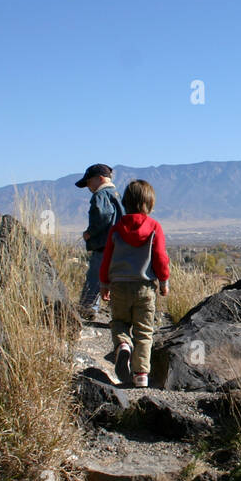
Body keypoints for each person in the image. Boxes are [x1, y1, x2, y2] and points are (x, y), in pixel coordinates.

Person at [99, 179, 170, 387]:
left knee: (119, 322)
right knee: (144, 331)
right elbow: (160, 257)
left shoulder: (116, 229)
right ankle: (140, 375)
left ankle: (123, 345)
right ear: (150, 204)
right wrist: (164, 281)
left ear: (126, 203)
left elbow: (106, 259)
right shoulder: (155, 227)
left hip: (119, 286)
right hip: (145, 288)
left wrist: (104, 283)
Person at [76, 164, 122, 319]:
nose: (88, 187)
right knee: (116, 281)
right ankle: (120, 314)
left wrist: (90, 232)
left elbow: (104, 215)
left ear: (100, 179)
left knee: (95, 276)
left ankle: (87, 308)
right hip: (120, 246)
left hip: (103, 245)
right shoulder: (117, 195)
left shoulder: (100, 195)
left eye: (89, 183)